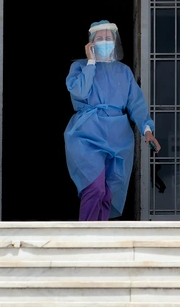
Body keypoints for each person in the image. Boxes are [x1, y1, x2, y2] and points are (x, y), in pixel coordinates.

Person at [64, 20, 161, 221]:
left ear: (115, 41)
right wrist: (91, 63)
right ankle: (87, 234)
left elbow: (136, 103)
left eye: (108, 38)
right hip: (87, 132)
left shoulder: (123, 71)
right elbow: (79, 91)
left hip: (118, 136)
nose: (104, 41)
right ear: (91, 43)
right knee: (95, 187)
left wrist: (147, 130)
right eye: (99, 38)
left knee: (108, 192)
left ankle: (102, 233)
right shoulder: (79, 66)